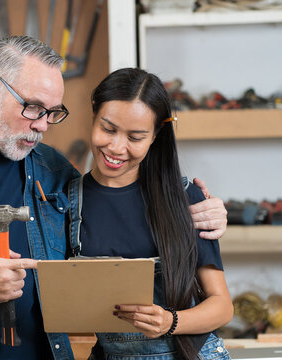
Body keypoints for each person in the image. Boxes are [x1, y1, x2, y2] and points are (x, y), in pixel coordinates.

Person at [0, 36, 227, 359]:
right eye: (32, 107)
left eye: (52, 113)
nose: (42, 125)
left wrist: (203, 210)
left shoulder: (55, 173)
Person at [67, 67, 233, 360]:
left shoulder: (185, 198)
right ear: (93, 116)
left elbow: (222, 306)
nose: (117, 147)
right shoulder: (69, 200)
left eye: (136, 137)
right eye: (108, 129)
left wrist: (171, 322)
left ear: (155, 136)